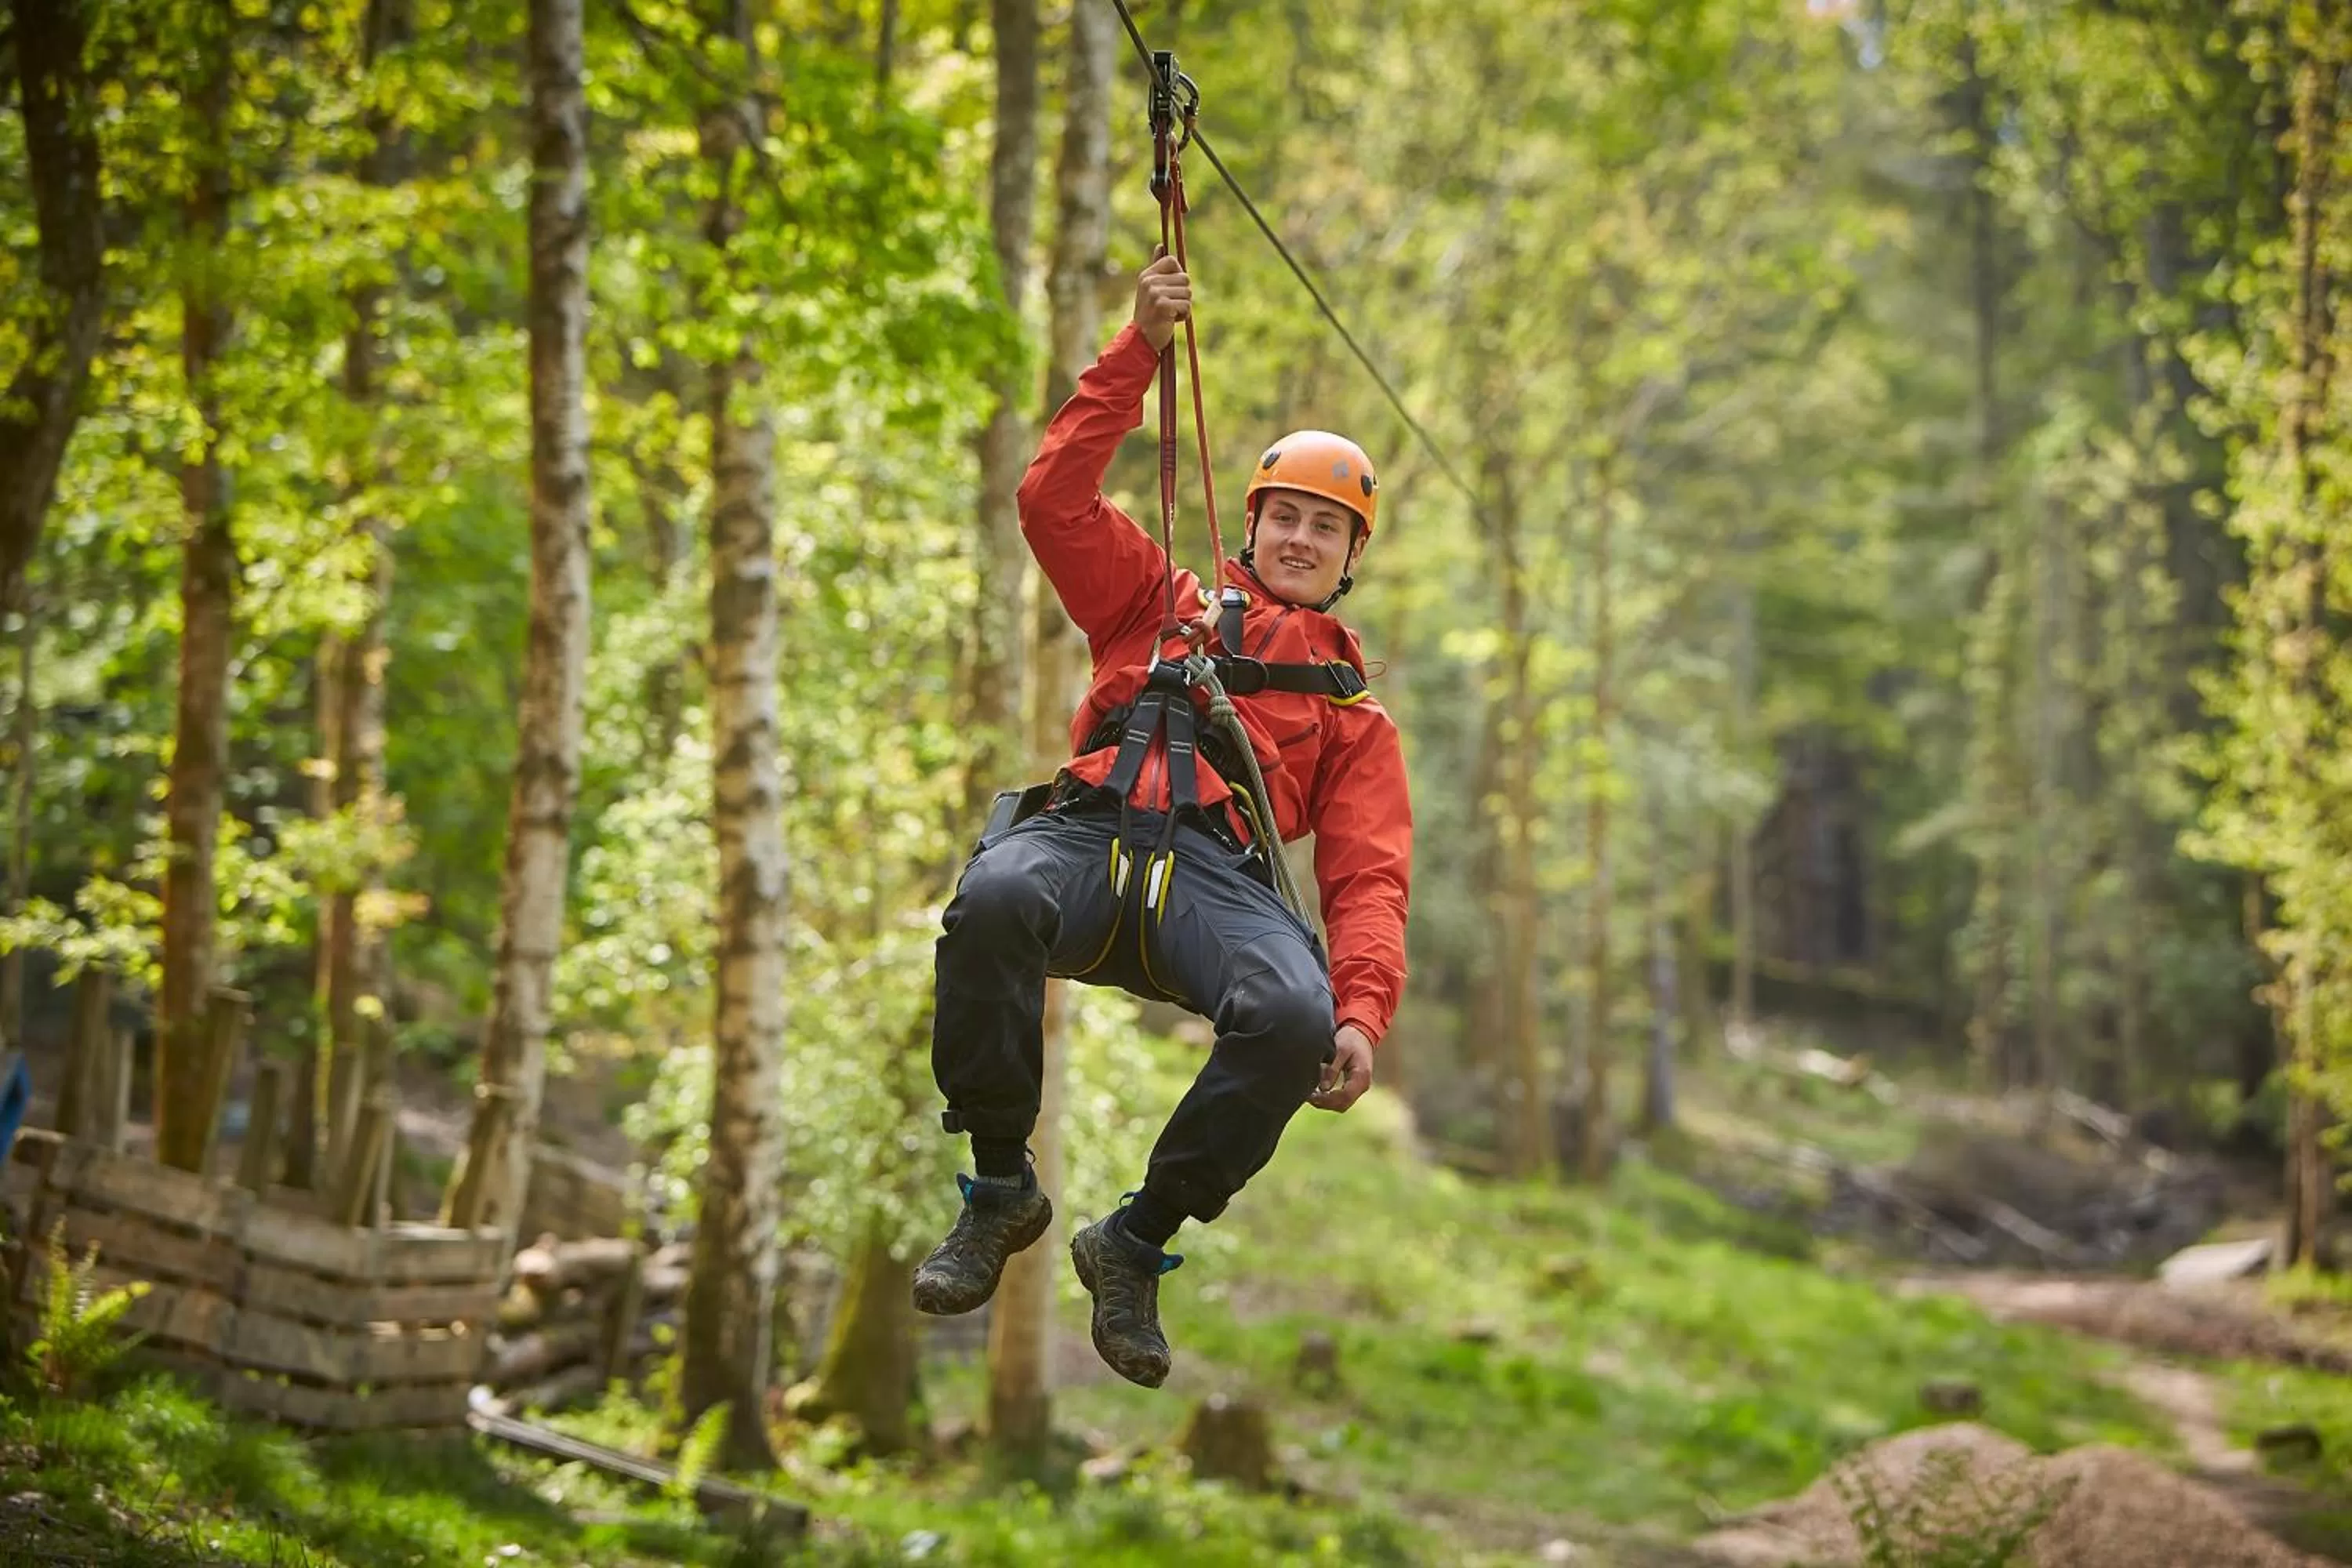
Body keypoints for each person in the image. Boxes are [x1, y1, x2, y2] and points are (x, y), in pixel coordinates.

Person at [913, 255, 1413, 1388]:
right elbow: (1052, 500)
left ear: (1350, 561)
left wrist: (1362, 1012)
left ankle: (1134, 1244)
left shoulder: (1355, 723)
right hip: (1086, 841)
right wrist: (1137, 346)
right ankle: (1000, 1190)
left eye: (1325, 530)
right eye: (1285, 517)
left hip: (1216, 884)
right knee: (993, 897)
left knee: (1293, 1015)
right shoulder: (1157, 601)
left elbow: (1369, 879)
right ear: (1254, 524)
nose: (1299, 539)